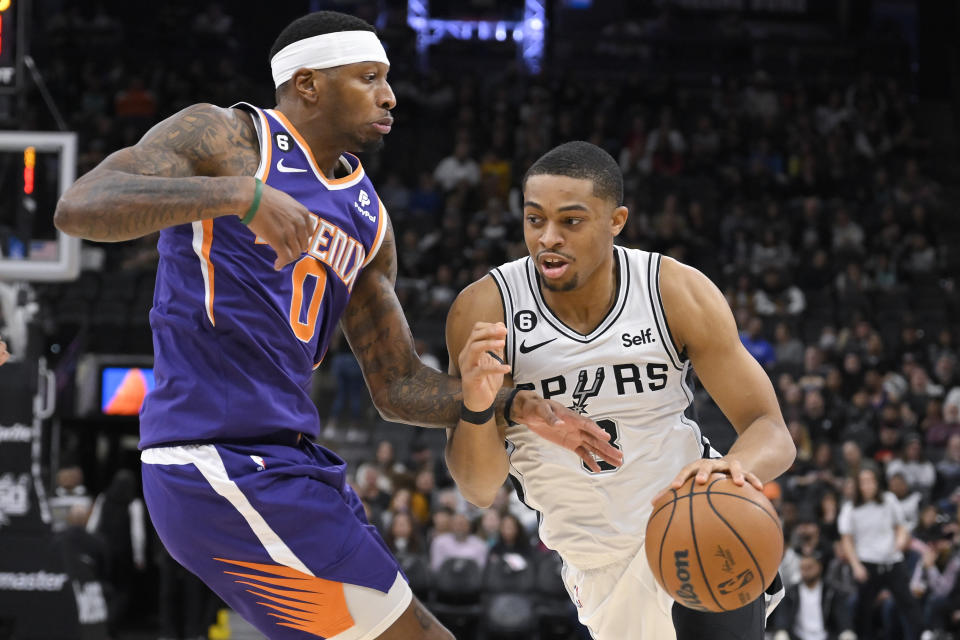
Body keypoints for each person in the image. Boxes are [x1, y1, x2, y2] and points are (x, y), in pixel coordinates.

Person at [54, 13, 619, 640]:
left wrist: (506, 405)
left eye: (387, 79)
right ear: (308, 84)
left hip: (291, 461)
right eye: (369, 78)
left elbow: (397, 385)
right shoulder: (226, 137)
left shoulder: (369, 217)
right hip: (217, 457)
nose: (390, 96)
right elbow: (80, 207)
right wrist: (239, 196)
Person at [443, 141, 796, 640]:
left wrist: (732, 468)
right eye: (534, 219)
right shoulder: (486, 308)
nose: (548, 238)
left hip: (694, 521)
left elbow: (772, 432)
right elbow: (479, 491)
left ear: (616, 220)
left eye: (571, 221)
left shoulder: (673, 290)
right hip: (596, 564)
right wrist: (478, 408)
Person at [839, 463, 924, 640]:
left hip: (892, 561)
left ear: (877, 482)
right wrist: (856, 566)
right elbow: (846, 541)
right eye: (863, 482)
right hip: (867, 563)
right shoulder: (850, 509)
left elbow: (901, 526)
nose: (867, 485)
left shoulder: (889, 500)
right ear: (857, 485)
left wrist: (900, 541)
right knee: (864, 610)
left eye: (871, 481)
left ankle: (918, 636)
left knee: (908, 604)